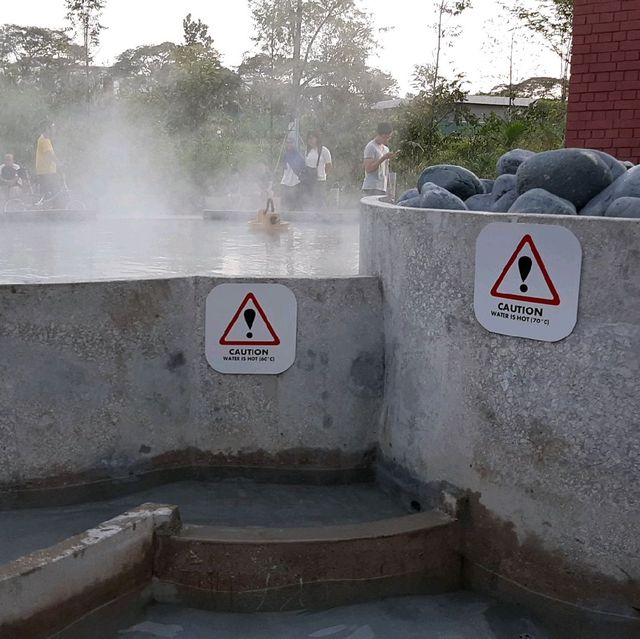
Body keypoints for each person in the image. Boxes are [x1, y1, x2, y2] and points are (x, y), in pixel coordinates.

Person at [362, 122, 398, 197]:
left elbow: (386, 170)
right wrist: (383, 158)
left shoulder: (386, 149)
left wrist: (389, 188)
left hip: (382, 187)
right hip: (371, 187)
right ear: (381, 135)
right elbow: (368, 168)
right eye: (386, 137)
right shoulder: (370, 147)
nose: (387, 140)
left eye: (389, 137)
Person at [302, 132, 332, 209]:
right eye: (309, 138)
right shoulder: (307, 151)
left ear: (317, 139)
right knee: (310, 200)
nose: (311, 140)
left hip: (320, 180)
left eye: (312, 138)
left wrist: (324, 175)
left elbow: (329, 165)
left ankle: (321, 217)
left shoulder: (324, 150)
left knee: (320, 200)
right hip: (309, 180)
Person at [36, 120, 60, 201]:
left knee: (48, 193)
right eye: (52, 128)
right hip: (46, 172)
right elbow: (50, 155)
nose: (54, 130)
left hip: (46, 171)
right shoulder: (45, 140)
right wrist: (60, 164)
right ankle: (47, 210)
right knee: (50, 194)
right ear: (47, 129)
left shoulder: (44, 139)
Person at [280, 138, 305, 211]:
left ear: (294, 144)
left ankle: (296, 211)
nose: (289, 144)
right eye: (288, 143)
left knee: (295, 198)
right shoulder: (285, 155)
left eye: (291, 143)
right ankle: (286, 212)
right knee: (285, 198)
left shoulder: (298, 154)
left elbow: (302, 165)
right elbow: (283, 166)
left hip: (295, 179)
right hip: (286, 179)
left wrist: (298, 171)